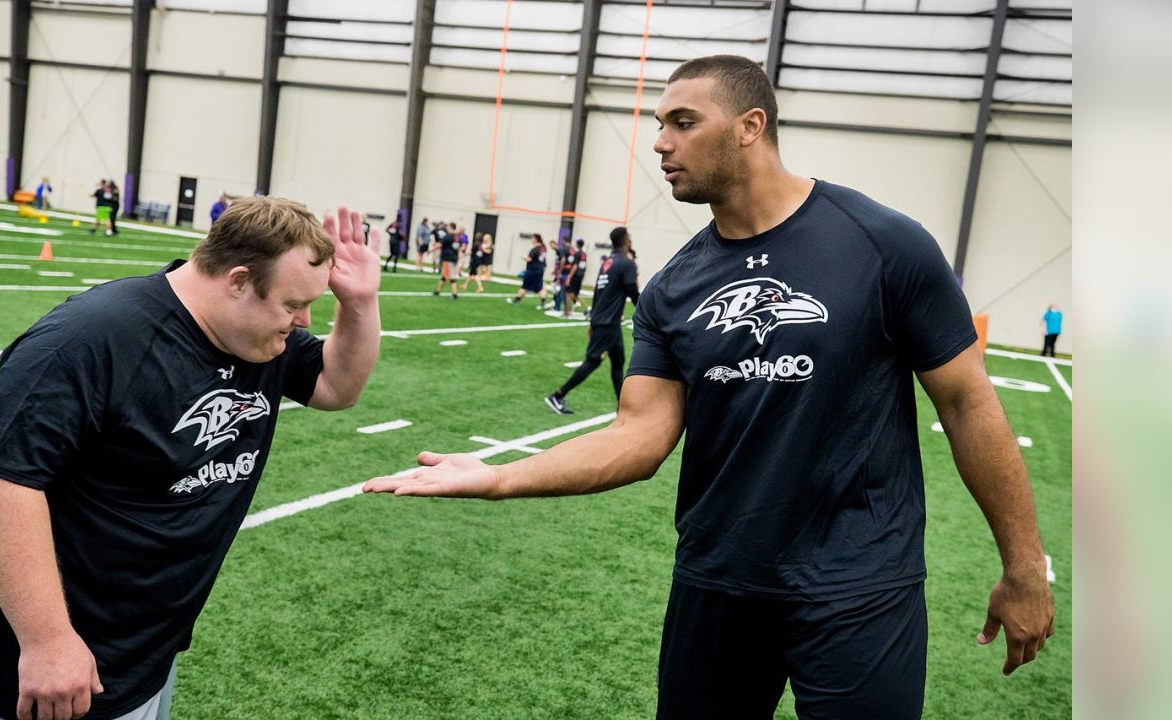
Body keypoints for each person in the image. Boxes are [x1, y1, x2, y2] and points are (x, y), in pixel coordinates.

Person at [365, 55, 1055, 720]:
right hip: (719, 581)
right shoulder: (674, 287)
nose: (661, 144)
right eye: (660, 124)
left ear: (750, 126)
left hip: (860, 585)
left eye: (683, 122)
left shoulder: (884, 244)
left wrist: (1024, 568)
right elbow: (638, 435)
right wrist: (501, 478)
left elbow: (967, 404)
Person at [0, 198, 382, 720]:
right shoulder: (90, 339)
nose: (304, 321)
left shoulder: (257, 338)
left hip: (141, 655)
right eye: (293, 305)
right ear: (239, 281)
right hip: (35, 667)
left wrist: (358, 304)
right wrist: (47, 639)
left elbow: (337, 386)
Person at [545, 228, 640, 415]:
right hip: (607, 323)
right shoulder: (626, 263)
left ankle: (622, 406)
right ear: (625, 240)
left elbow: (598, 292)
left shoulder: (608, 262)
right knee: (593, 361)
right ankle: (557, 395)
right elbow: (632, 290)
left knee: (618, 362)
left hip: (607, 321)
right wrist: (647, 311)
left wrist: (593, 320)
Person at [506, 234, 549, 309]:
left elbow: (529, 259)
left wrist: (523, 257)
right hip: (540, 270)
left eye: (532, 238)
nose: (531, 240)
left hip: (532, 270)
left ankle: (516, 300)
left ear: (536, 239)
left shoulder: (535, 249)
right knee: (540, 287)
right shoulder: (543, 248)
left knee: (525, 286)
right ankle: (543, 303)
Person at [561, 238, 590, 318]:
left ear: (577, 244)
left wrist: (569, 277)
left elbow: (575, 266)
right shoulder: (584, 254)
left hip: (575, 275)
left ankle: (567, 312)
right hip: (580, 276)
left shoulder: (577, 254)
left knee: (568, 293)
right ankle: (587, 308)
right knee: (575, 294)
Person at [431, 222, 460, 299]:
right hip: (454, 258)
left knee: (450, 276)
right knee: (445, 276)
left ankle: (454, 294)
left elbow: (439, 245)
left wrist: (430, 250)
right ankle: (437, 290)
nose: (447, 228)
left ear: (450, 227)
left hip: (448, 258)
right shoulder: (457, 237)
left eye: (448, 227)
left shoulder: (448, 236)